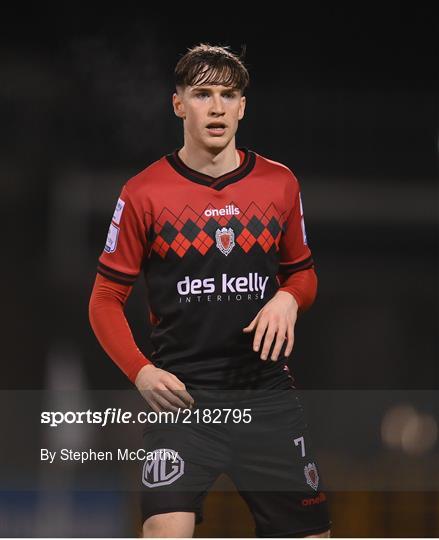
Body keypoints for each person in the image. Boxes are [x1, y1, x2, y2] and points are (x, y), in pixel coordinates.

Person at [89, 43, 332, 538]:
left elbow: (303, 274)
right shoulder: (144, 193)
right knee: (164, 532)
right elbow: (103, 300)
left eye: (228, 94)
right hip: (185, 403)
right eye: (202, 94)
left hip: (264, 398)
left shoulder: (279, 184)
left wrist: (288, 298)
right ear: (178, 104)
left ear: (244, 106)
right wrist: (141, 373)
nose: (216, 106)